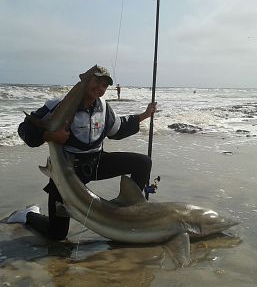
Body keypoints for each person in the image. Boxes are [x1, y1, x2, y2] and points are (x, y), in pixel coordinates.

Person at [7, 65, 157, 241]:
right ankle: (28, 215)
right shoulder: (58, 105)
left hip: (96, 162)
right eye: (97, 81)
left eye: (104, 86)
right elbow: (25, 128)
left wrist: (145, 115)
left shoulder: (104, 107)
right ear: (85, 80)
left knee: (143, 162)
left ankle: (131, 212)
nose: (100, 88)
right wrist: (50, 135)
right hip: (67, 170)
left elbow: (118, 129)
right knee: (57, 234)